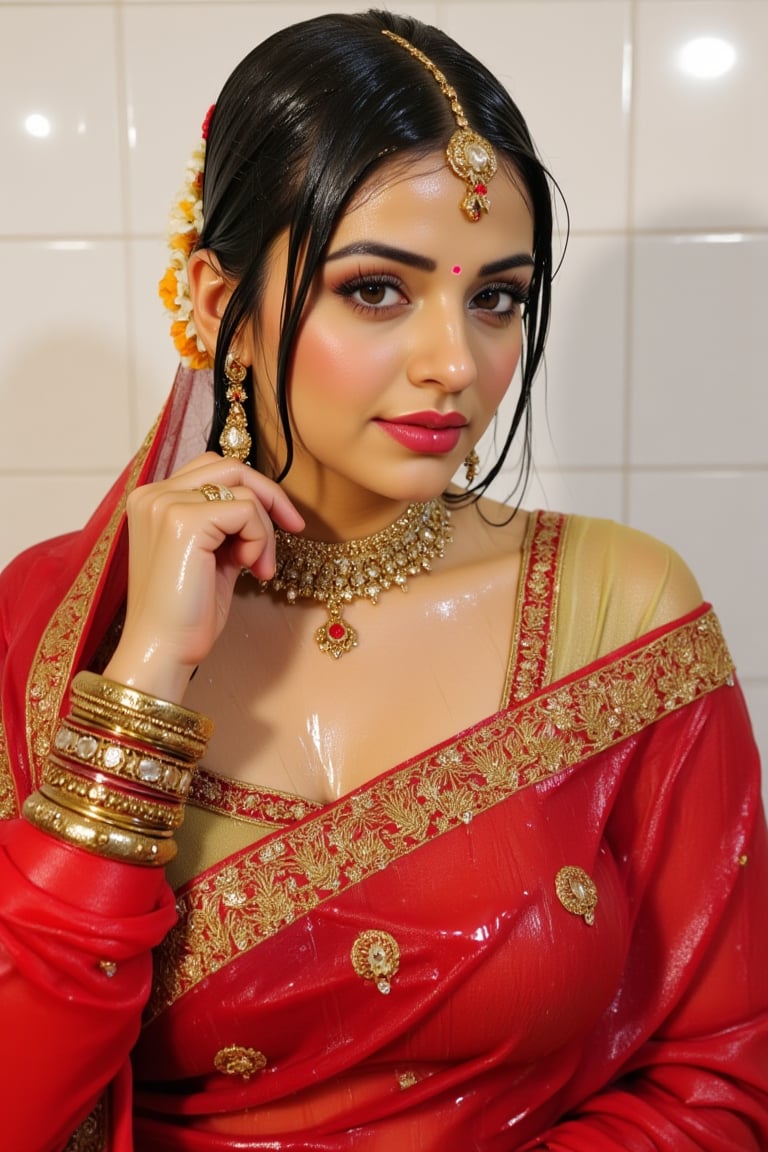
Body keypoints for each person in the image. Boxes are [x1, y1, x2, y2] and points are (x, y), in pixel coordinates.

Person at [0, 9, 766, 1150]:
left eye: (496, 297)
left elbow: (721, 1077)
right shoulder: (58, 622)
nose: (457, 364)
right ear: (221, 310)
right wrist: (144, 686)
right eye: (377, 290)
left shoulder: (619, 607)